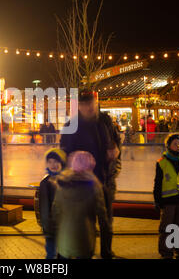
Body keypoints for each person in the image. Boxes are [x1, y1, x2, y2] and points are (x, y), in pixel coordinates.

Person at [60, 89, 120, 259]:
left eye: (91, 103)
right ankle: (87, 251)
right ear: (79, 106)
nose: (89, 107)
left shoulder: (105, 122)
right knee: (87, 221)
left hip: (105, 179)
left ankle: (107, 252)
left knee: (107, 221)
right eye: (84, 104)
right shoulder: (71, 127)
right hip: (83, 184)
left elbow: (116, 143)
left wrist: (116, 151)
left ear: (96, 102)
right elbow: (64, 155)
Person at [52, 151, 109, 259]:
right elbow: (102, 217)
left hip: (64, 241)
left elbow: (55, 211)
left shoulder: (62, 185)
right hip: (85, 240)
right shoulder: (95, 187)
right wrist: (105, 244)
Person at [38, 148, 66, 259]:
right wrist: (46, 226)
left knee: (64, 253)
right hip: (51, 226)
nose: (53, 164)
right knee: (51, 253)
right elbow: (44, 206)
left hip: (65, 225)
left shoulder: (66, 180)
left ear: (61, 163)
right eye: (50, 162)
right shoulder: (45, 183)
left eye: (55, 161)